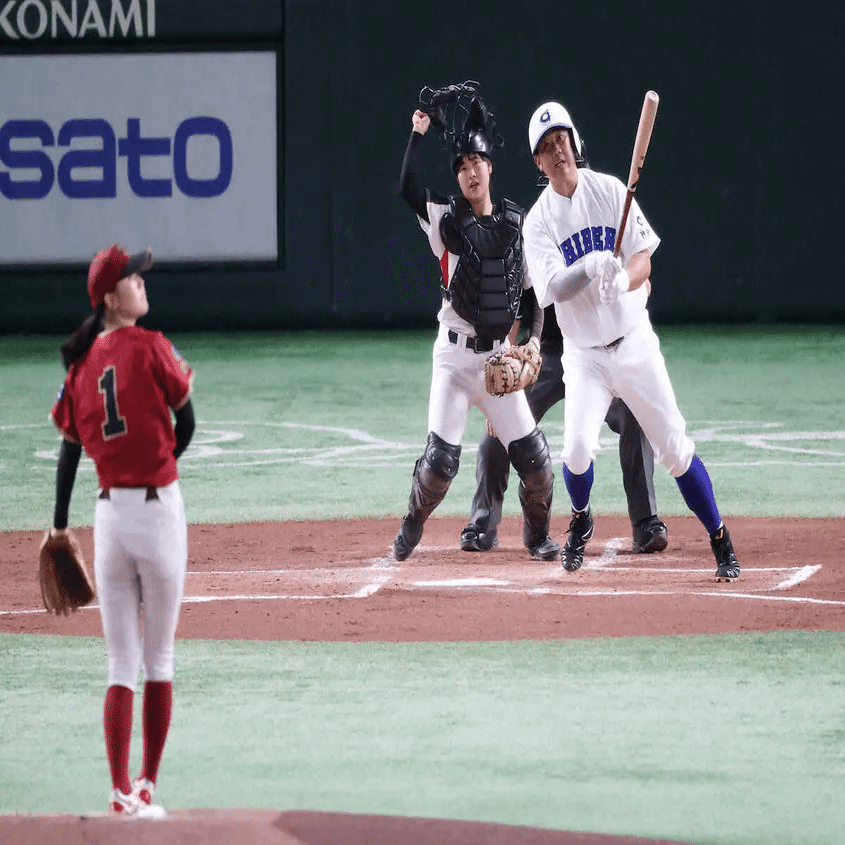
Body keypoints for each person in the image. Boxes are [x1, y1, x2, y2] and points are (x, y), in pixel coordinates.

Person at [522, 100, 741, 581]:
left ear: (574, 142)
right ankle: (580, 520)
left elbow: (644, 258)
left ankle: (720, 538)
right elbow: (552, 288)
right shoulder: (537, 222)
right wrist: (590, 266)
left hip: (634, 342)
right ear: (537, 162)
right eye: (545, 147)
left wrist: (622, 279)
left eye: (561, 139)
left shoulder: (611, 191)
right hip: (585, 357)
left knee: (674, 448)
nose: (557, 150)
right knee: (576, 451)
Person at [48, 243, 196, 816]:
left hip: (107, 517)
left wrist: (59, 527)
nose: (141, 283)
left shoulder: (80, 367)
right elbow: (187, 421)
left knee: (119, 665)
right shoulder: (152, 346)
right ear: (111, 297)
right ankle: (147, 785)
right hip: (158, 512)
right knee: (158, 661)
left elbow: (68, 455)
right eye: (132, 278)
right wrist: (164, 457)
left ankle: (117, 791)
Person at [392, 81, 558, 562]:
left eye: (476, 163)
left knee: (537, 464)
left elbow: (532, 295)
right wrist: (418, 134)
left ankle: (538, 536)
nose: (470, 173)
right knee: (440, 466)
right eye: (462, 167)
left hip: (495, 361)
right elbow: (405, 187)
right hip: (452, 359)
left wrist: (533, 342)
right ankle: (413, 519)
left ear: (491, 166)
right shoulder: (445, 222)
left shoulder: (514, 226)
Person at [462, 295, 669, 555]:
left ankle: (646, 523)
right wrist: (502, 392)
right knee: (498, 430)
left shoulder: (601, 253)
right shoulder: (530, 254)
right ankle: (483, 524)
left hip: (597, 355)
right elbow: (524, 305)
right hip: (545, 353)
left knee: (636, 416)